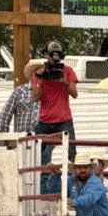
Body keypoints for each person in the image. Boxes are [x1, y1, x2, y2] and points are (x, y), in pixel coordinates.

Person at [31, 40, 79, 194]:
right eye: (51, 54)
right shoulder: (39, 71)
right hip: (45, 120)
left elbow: (75, 94)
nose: (54, 58)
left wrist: (65, 82)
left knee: (72, 155)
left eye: (57, 54)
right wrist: (40, 79)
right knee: (42, 159)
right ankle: (44, 196)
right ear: (45, 55)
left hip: (64, 119)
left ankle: (72, 191)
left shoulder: (67, 70)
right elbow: (35, 98)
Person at [0, 60, 40, 134]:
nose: (41, 76)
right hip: (22, 140)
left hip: (44, 140)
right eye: (39, 73)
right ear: (33, 74)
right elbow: (5, 115)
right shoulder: (20, 91)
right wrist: (5, 138)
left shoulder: (51, 93)